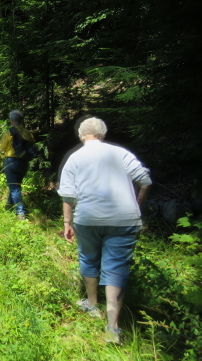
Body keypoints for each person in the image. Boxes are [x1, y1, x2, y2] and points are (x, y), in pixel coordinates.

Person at [58, 117, 151, 345]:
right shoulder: (120, 153)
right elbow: (145, 181)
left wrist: (67, 223)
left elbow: (68, 195)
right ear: (103, 133)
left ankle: (91, 304)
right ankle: (113, 327)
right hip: (124, 219)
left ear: (81, 135)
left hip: (88, 219)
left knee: (89, 259)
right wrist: (136, 205)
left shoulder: (75, 158)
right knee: (116, 267)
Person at [0, 110, 35, 219]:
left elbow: (2, 147)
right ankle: (9, 206)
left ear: (11, 120)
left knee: (14, 188)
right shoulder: (28, 133)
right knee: (15, 186)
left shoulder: (9, 132)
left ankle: (20, 212)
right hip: (24, 163)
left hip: (11, 162)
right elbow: (32, 145)